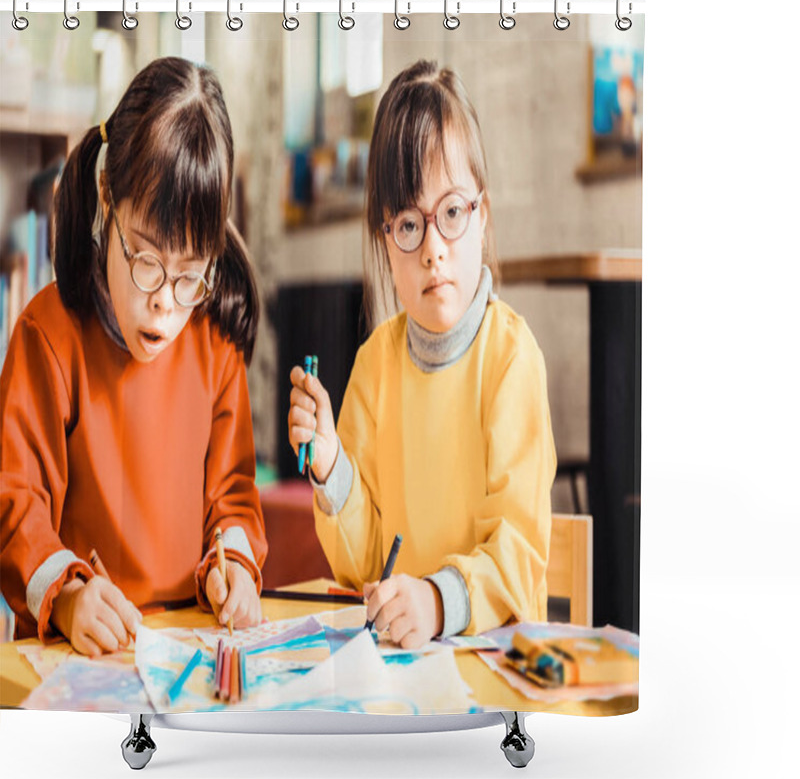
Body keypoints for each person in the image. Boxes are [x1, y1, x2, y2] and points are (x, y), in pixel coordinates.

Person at [0, 57, 267, 656]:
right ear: (106, 198)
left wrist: (238, 571)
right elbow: (15, 506)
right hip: (72, 656)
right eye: (145, 260)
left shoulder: (216, 343)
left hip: (187, 658)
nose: (164, 305)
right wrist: (67, 597)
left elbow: (234, 499)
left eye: (190, 273)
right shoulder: (48, 336)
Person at [288, 60, 556, 649]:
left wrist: (437, 601)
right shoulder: (374, 366)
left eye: (452, 213)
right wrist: (332, 464)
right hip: (402, 675)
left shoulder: (511, 358)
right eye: (409, 224)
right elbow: (362, 567)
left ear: (481, 217)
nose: (433, 249)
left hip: (494, 669)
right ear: (387, 242)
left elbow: (517, 551)